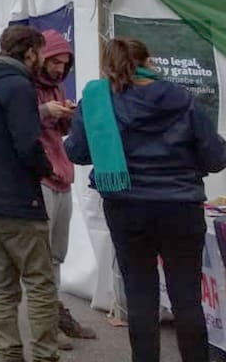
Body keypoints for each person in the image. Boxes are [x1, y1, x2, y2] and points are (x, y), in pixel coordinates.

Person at [66, 37, 226, 362]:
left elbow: (78, 152)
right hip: (181, 206)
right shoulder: (182, 98)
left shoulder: (97, 101)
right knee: (187, 296)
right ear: (149, 61)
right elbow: (215, 158)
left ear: (106, 66)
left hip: (126, 207)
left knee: (140, 295)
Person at [0, 25, 58, 362]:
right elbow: (27, 144)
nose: (43, 59)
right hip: (16, 197)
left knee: (3, 285)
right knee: (39, 282)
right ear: (29, 52)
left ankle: (9, 353)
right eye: (41, 52)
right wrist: (49, 169)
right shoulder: (18, 85)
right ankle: (46, 354)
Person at [32, 30, 96, 344]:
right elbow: (15, 124)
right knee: (41, 258)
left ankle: (54, 315)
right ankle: (46, 325)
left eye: (64, 63)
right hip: (40, 178)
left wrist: (66, 115)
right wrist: (46, 111)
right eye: (54, 61)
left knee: (57, 254)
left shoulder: (56, 87)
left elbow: (62, 133)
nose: (59, 68)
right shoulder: (25, 87)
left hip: (62, 177)